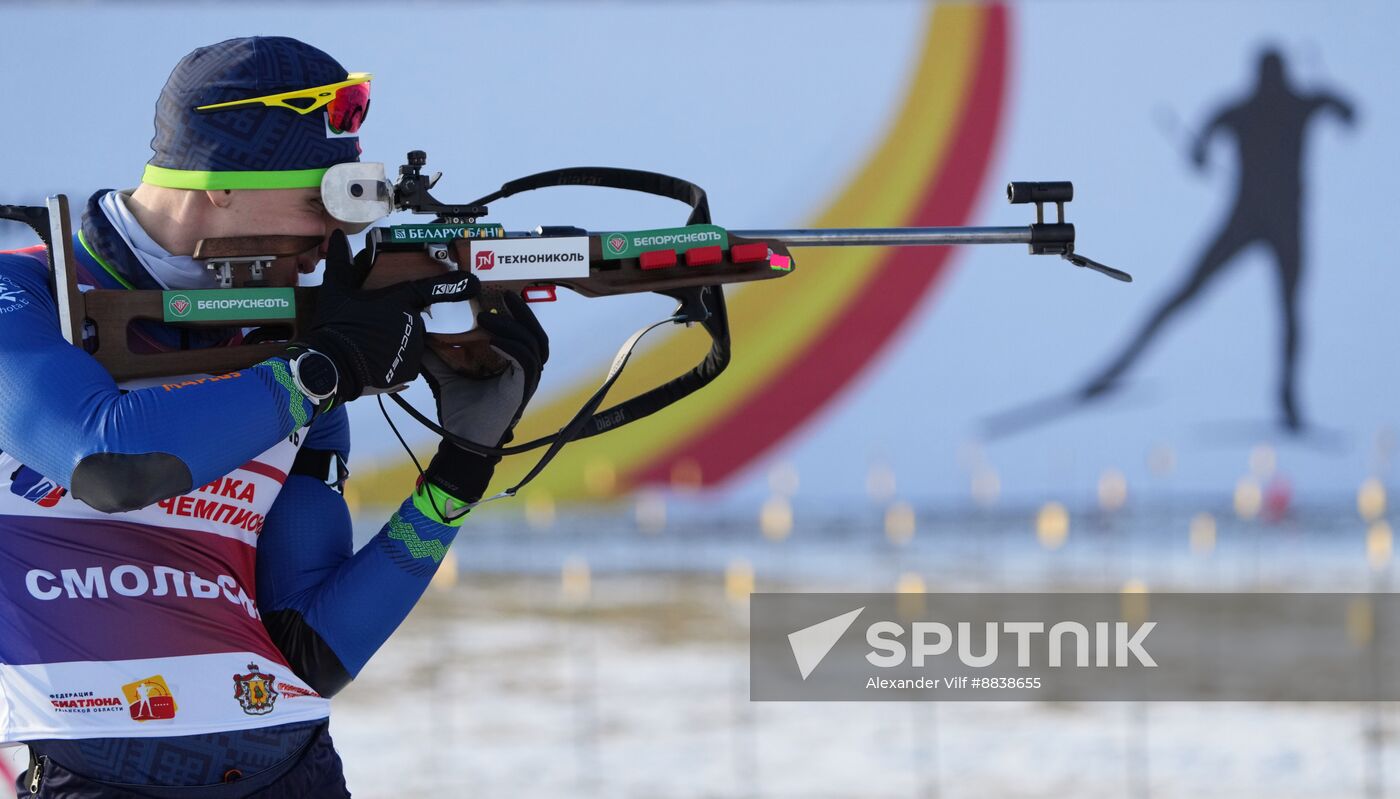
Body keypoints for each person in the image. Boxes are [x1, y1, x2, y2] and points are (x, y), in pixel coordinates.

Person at [0, 37, 548, 796]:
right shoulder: (22, 295)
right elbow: (108, 461)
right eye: (315, 203)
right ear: (219, 184)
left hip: (297, 771)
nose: (329, 244)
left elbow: (312, 647)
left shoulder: (291, 344)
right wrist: (323, 370)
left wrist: (461, 467)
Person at [1078, 48, 1355, 430]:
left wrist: (1201, 155)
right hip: (1254, 219)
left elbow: (1346, 112)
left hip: (1272, 222)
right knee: (1212, 297)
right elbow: (1345, 112)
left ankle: (1288, 400)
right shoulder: (1285, 105)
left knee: (1278, 310)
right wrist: (1201, 154)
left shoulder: (1260, 108)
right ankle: (1117, 368)